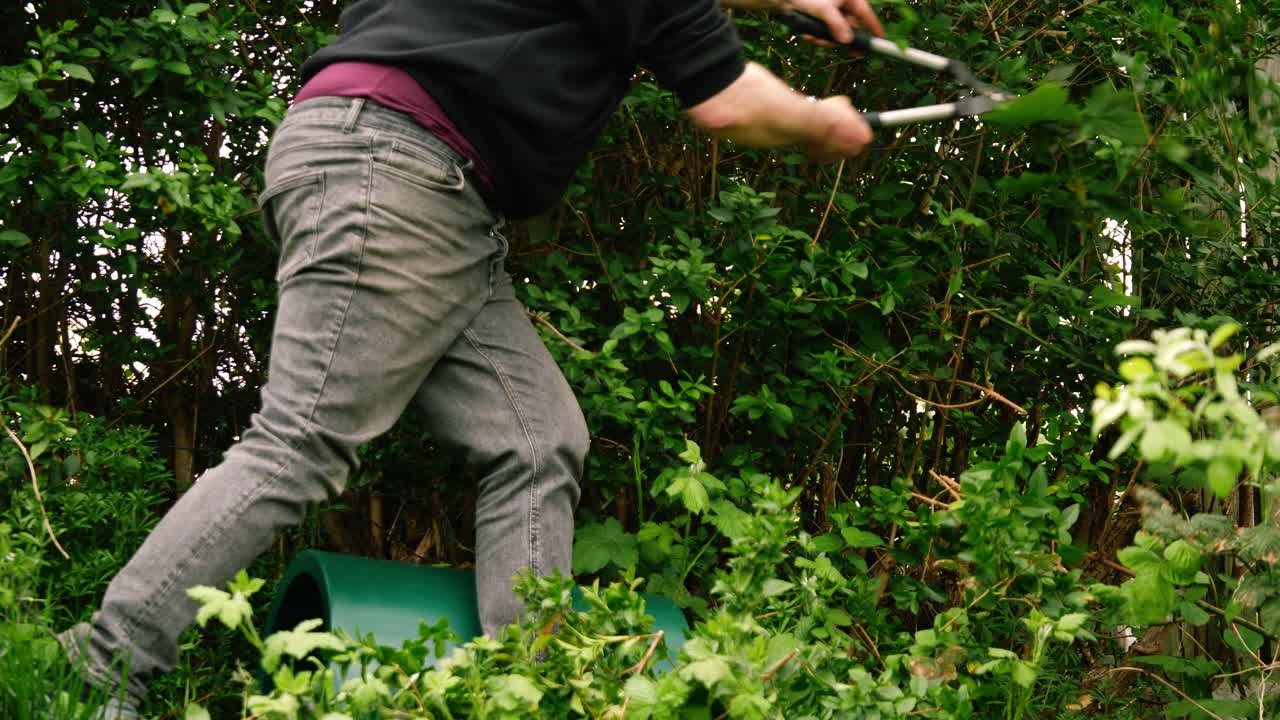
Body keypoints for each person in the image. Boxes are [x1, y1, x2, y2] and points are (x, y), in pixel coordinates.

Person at [60, 0, 881, 716]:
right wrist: (824, 123)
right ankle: (99, 669)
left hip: (407, 177)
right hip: (400, 175)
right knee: (300, 445)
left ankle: (523, 688)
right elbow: (729, 104)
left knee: (536, 441)